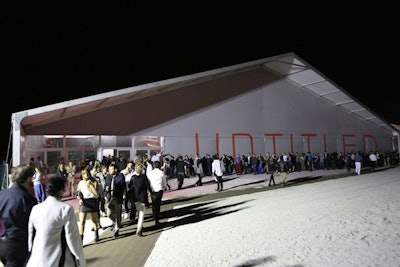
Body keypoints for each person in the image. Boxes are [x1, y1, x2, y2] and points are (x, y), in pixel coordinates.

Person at [26, 175, 86, 266]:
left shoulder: (35, 209)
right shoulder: (66, 209)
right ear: (61, 190)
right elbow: (73, 239)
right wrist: (81, 261)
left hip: (36, 260)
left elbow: (31, 236)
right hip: (57, 260)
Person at [0, 165, 38, 267]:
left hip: (2, 243)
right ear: (28, 179)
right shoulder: (29, 200)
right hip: (19, 246)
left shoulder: (1, 195)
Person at [77, 168, 100, 242]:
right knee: (82, 221)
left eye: (87, 173)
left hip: (92, 201)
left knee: (94, 220)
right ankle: (81, 239)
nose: (86, 175)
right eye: (84, 173)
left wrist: (90, 185)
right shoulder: (81, 182)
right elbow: (78, 192)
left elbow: (96, 194)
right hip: (84, 202)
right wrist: (79, 198)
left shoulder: (94, 181)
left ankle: (96, 233)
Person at [104, 163, 125, 238]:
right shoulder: (108, 177)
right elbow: (105, 186)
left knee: (117, 213)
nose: (109, 171)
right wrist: (106, 192)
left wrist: (124, 194)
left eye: (111, 169)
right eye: (109, 169)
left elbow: (122, 185)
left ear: (115, 169)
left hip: (117, 197)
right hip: (110, 197)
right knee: (109, 213)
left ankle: (116, 230)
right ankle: (117, 223)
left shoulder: (120, 176)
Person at [130, 163, 150, 236]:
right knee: (141, 214)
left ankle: (139, 225)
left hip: (135, 197)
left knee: (139, 211)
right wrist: (150, 192)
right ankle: (139, 229)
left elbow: (130, 186)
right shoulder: (144, 177)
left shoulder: (133, 177)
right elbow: (148, 186)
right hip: (142, 197)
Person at [146, 161, 168, 226]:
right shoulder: (161, 173)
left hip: (152, 190)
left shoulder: (150, 173)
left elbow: (148, 182)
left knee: (153, 203)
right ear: (159, 166)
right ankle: (156, 217)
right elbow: (164, 182)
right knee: (158, 204)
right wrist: (165, 187)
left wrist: (148, 190)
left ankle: (154, 215)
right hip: (159, 189)